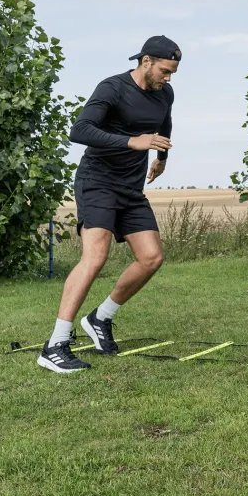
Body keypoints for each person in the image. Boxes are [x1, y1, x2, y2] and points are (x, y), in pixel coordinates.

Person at [37, 36, 181, 374]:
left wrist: (161, 156)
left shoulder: (165, 93)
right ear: (146, 62)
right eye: (164, 70)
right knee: (96, 256)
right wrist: (132, 141)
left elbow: (164, 122)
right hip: (98, 181)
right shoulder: (112, 88)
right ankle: (55, 344)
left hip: (131, 188)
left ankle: (100, 318)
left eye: (173, 72)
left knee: (151, 257)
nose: (168, 78)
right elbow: (80, 130)